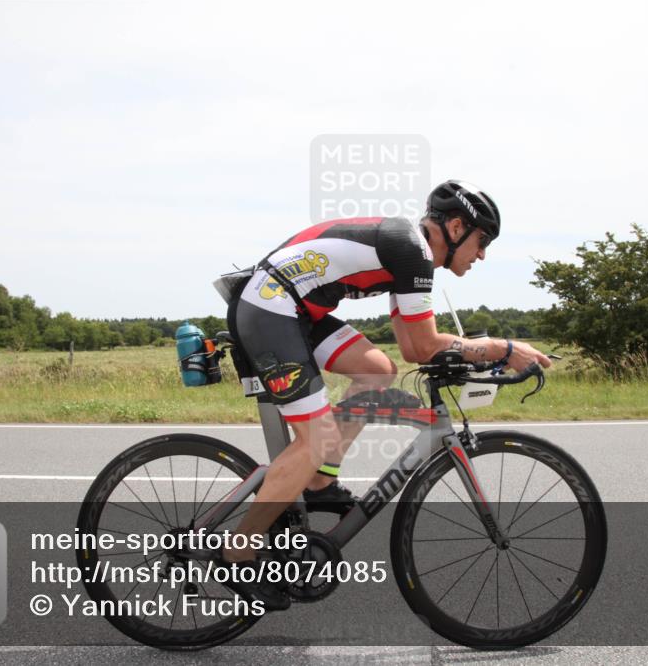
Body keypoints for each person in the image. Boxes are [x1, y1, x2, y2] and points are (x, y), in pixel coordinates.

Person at [221, 180, 553, 609]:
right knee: (314, 438)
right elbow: (424, 346)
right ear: (455, 227)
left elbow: (414, 346)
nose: (483, 254)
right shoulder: (411, 251)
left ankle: (320, 481)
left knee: (376, 370)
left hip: (295, 309)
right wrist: (502, 350)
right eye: (482, 240)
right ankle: (237, 552)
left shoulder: (409, 255)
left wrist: (471, 355)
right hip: (271, 307)